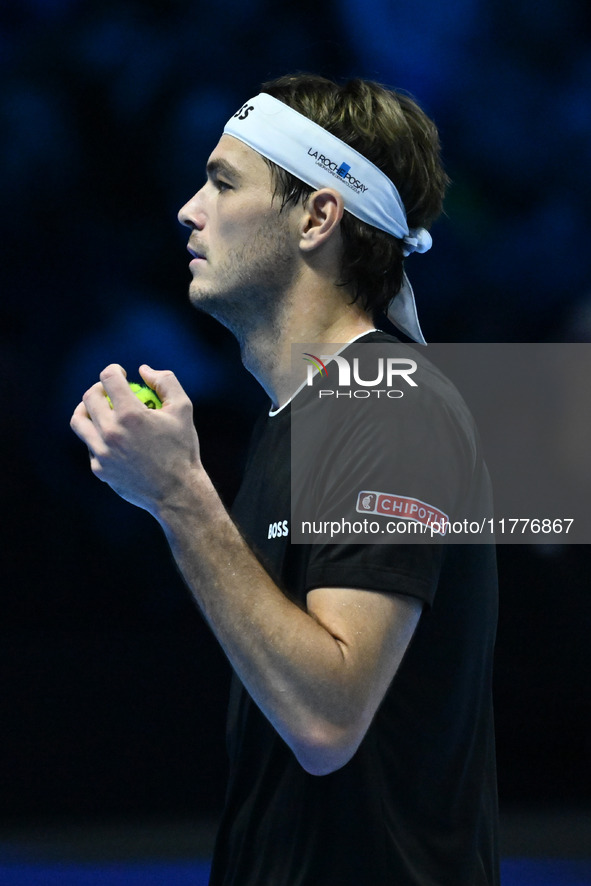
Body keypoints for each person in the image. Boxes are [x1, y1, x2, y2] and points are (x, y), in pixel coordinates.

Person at [71, 73, 499, 885]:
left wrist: (177, 495)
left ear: (316, 216)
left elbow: (325, 718)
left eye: (223, 182)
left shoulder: (388, 406)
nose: (189, 210)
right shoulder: (306, 414)